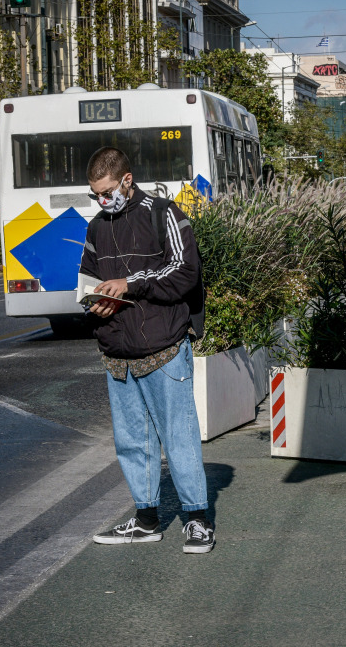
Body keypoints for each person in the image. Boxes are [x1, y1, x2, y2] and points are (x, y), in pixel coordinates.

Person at [79, 147, 214, 554]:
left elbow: (186, 272)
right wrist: (94, 301)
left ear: (127, 179)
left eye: (107, 192)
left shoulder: (163, 212)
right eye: (95, 196)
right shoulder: (97, 227)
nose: (103, 202)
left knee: (179, 436)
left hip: (164, 348)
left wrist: (130, 283)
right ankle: (146, 519)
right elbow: (87, 278)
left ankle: (197, 519)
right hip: (116, 351)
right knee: (131, 441)